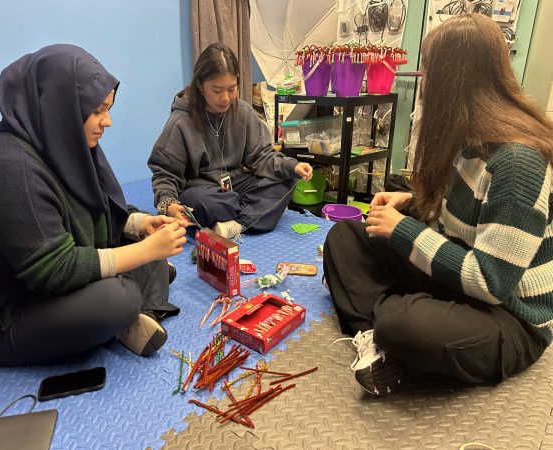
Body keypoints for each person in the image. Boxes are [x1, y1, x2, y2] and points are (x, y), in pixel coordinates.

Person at [323, 13, 553, 396]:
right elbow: (462, 217)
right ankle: (374, 341)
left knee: (402, 323)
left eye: (427, 70)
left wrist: (404, 229)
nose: (422, 79)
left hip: (510, 315)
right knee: (346, 236)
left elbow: (491, 282)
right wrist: (414, 203)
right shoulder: (470, 137)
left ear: (453, 79)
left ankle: (388, 330)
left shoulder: (518, 162)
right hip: (457, 282)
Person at [0, 44, 188, 366]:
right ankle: (132, 310)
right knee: (124, 292)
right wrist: (146, 253)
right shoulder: (6, 168)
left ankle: (133, 312)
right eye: (97, 111)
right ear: (59, 107)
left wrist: (139, 226)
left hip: (49, 285)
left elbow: (100, 209)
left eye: (108, 109)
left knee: (145, 240)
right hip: (7, 315)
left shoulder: (62, 144)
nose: (107, 122)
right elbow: (56, 270)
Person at [148, 43, 313, 240]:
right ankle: (251, 214)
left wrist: (292, 166)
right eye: (217, 90)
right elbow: (165, 174)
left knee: (286, 181)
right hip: (201, 191)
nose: (225, 98)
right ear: (200, 85)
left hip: (235, 184)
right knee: (205, 203)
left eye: (232, 89)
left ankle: (234, 224)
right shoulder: (181, 122)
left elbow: (262, 156)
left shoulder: (242, 111)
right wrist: (169, 204)